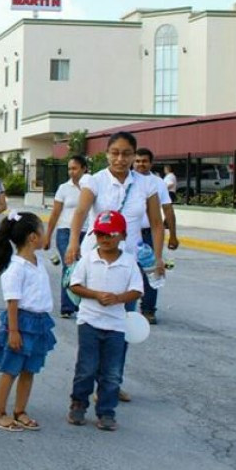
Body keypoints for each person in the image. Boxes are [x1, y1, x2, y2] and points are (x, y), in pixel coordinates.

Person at [65, 131, 165, 403]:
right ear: (107, 154)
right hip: (96, 260)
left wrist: (158, 257)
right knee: (93, 322)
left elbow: (157, 223)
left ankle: (111, 382)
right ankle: (88, 380)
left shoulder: (147, 184)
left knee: (122, 324)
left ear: (134, 155)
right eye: (115, 153)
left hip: (127, 262)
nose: (120, 159)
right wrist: (73, 243)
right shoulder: (94, 181)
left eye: (126, 154)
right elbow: (80, 213)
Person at [67, 210, 142, 432]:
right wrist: (95, 295)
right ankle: (78, 403)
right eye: (100, 234)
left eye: (110, 234)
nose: (105, 239)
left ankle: (107, 411)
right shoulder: (89, 259)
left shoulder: (129, 262)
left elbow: (137, 290)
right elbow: (75, 285)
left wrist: (118, 298)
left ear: (123, 236)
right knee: (86, 368)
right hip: (89, 322)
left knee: (112, 372)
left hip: (116, 325)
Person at [0, 211, 55, 432]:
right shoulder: (16, 268)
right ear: (33, 237)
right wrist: (13, 332)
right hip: (21, 323)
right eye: (43, 230)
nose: (46, 235)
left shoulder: (38, 261)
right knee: (11, 369)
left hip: (39, 323)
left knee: (29, 370)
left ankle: (20, 410)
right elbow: (12, 303)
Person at [133, 148, 179, 324]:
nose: (140, 164)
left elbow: (168, 209)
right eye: (137, 161)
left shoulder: (158, 183)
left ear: (151, 163)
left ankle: (148, 309)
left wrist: (173, 235)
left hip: (148, 234)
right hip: (128, 234)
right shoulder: (127, 180)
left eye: (144, 161)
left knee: (152, 271)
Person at [43, 155, 88, 318]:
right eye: (69, 169)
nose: (71, 172)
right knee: (69, 265)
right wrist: (48, 236)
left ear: (84, 168)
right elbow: (55, 213)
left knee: (84, 267)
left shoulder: (91, 186)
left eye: (74, 168)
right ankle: (67, 307)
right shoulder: (63, 188)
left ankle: (83, 304)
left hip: (86, 232)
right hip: (65, 231)